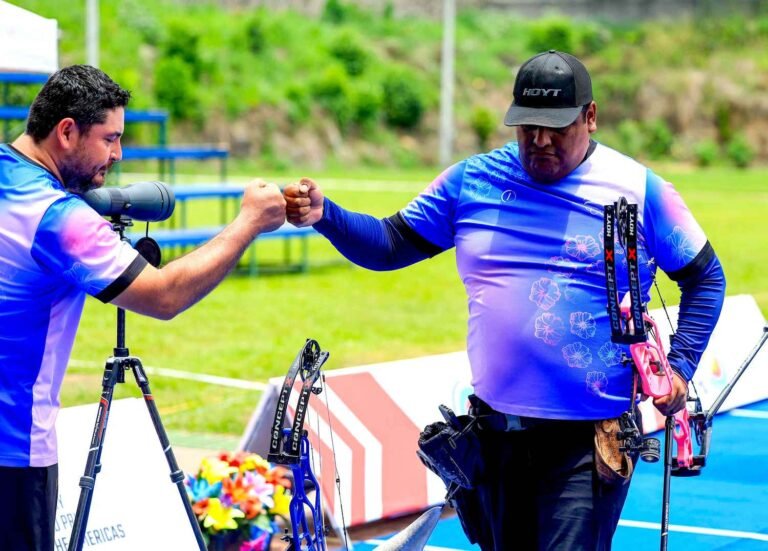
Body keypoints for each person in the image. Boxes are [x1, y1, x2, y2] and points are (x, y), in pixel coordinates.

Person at [284, 50, 726, 550]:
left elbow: (706, 278)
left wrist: (682, 367)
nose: (539, 141)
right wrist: (326, 214)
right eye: (526, 127)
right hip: (493, 436)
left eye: (555, 128)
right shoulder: (471, 180)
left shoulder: (640, 190)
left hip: (587, 441)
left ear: (591, 117)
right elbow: (389, 244)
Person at [0, 64, 286, 550]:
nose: (118, 154)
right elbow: (164, 295)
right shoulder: (56, 217)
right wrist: (249, 223)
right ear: (66, 131)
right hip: (14, 451)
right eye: (110, 139)